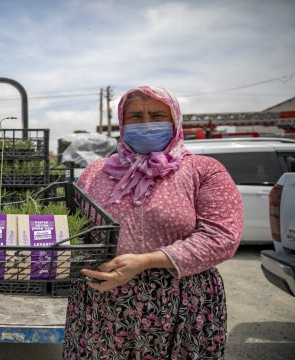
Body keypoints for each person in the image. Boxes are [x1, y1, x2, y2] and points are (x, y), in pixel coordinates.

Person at [63, 86, 243, 359]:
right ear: (123, 124)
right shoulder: (96, 172)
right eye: (135, 116)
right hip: (103, 302)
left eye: (157, 114)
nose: (146, 123)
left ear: (175, 121)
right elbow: (77, 229)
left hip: (178, 302)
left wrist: (146, 261)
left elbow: (221, 237)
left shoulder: (204, 170)